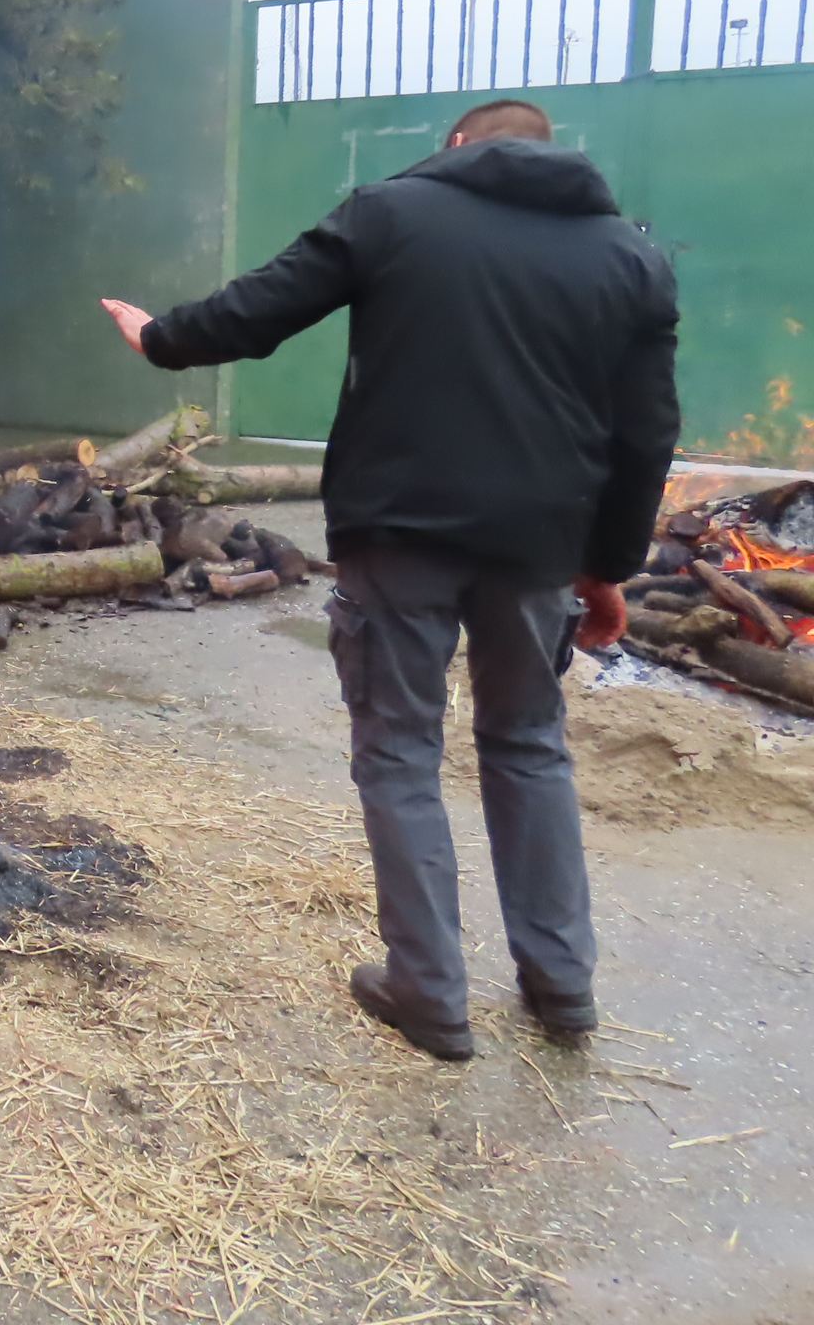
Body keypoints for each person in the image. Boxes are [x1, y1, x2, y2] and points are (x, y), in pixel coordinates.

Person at [99, 98, 679, 1062]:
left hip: (400, 531)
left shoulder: (393, 213)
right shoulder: (629, 258)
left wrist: (159, 337)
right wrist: (605, 568)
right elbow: (646, 433)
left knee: (402, 754)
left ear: (456, 147)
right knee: (531, 747)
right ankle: (562, 985)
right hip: (539, 545)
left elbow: (261, 308)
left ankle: (430, 993)